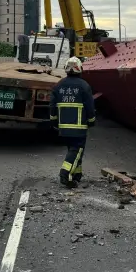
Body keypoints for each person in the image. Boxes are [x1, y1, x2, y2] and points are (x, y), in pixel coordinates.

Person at [49, 57, 95, 188]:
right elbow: (90, 106)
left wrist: (53, 121)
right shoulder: (84, 86)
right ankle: (65, 173)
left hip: (63, 126)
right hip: (79, 126)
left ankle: (76, 175)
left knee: (73, 150)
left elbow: (52, 106)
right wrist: (91, 121)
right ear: (80, 69)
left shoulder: (58, 85)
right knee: (76, 150)